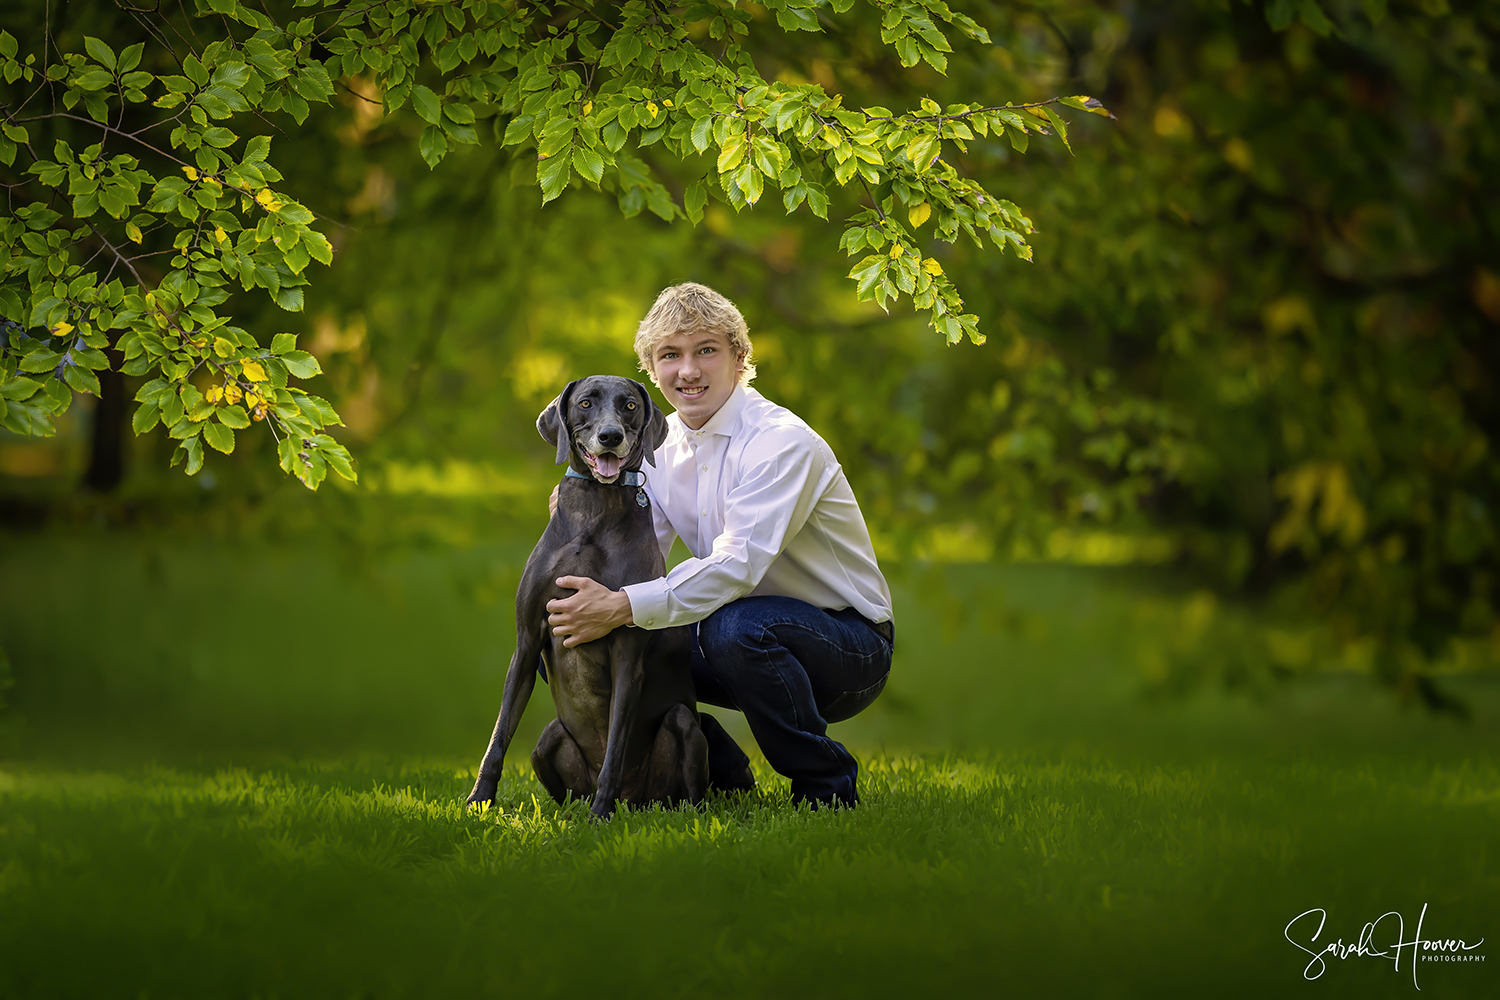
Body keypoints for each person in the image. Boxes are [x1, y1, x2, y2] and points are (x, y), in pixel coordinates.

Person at [543, 282, 894, 808]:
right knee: (624, 639)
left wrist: (620, 607)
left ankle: (827, 786)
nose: (688, 371)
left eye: (706, 350)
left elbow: (738, 565)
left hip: (847, 645)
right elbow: (632, 558)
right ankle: (707, 765)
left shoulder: (780, 441)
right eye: (670, 356)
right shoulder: (657, 448)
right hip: (741, 628)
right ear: (651, 369)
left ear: (739, 356)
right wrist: (581, 515)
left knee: (729, 628)